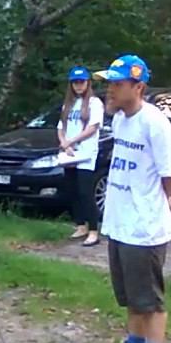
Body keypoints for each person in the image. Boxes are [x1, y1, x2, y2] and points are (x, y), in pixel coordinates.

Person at [91, 54, 171, 343]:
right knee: (130, 294)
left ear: (138, 87)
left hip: (144, 227)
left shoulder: (154, 123)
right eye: (109, 83)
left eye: (117, 84)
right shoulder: (121, 120)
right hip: (120, 222)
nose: (110, 90)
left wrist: (158, 198)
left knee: (149, 299)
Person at [57, 65, 105, 247]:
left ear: (87, 83)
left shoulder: (94, 103)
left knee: (85, 192)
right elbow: (61, 128)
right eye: (75, 82)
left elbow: (92, 128)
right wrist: (64, 143)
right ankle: (80, 225)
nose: (78, 85)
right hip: (69, 153)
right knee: (72, 190)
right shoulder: (68, 105)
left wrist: (72, 141)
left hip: (85, 153)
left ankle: (93, 230)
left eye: (81, 82)